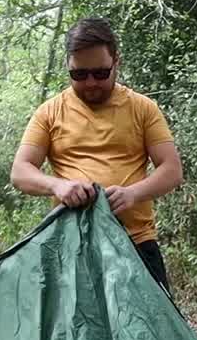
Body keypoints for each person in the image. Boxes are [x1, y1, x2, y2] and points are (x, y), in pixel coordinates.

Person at [10, 17, 184, 291]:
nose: (90, 82)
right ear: (67, 65)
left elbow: (172, 169)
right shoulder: (49, 112)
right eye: (79, 74)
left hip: (136, 244)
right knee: (74, 334)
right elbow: (20, 171)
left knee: (152, 331)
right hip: (71, 247)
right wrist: (58, 186)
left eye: (100, 73)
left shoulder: (143, 109)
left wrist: (132, 194)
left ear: (117, 62)